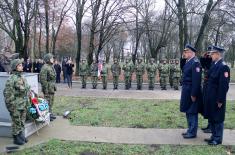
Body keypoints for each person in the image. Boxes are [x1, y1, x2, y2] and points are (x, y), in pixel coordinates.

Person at [204, 46, 230, 145]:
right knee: (212, 117)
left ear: (218, 54)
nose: (211, 55)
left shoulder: (223, 67)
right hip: (211, 96)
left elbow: (224, 86)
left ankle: (218, 139)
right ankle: (213, 136)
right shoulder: (214, 64)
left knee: (218, 119)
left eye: (213, 54)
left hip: (217, 98)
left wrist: (220, 100)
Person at [3, 59, 30, 145]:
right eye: (19, 65)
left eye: (22, 65)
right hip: (15, 105)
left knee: (22, 121)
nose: (22, 66)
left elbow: (26, 90)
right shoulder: (12, 79)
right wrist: (11, 107)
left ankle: (20, 135)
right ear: (15, 67)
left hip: (23, 103)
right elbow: (7, 94)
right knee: (16, 121)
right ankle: (16, 137)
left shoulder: (22, 77)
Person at [180, 44, 202, 139]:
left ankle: (193, 132)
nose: (184, 53)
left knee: (192, 111)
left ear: (191, 52)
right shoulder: (188, 61)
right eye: (184, 52)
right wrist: (183, 58)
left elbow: (196, 80)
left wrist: (194, 94)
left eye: (186, 52)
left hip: (191, 90)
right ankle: (190, 130)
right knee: (187, 110)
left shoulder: (195, 63)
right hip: (186, 89)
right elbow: (182, 68)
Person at [40, 53, 57, 121]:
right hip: (48, 88)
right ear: (48, 59)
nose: (53, 59)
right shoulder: (45, 67)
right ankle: (47, 115)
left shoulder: (51, 66)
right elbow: (43, 80)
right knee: (47, 102)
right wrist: (46, 90)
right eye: (51, 58)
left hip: (51, 87)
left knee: (51, 101)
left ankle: (50, 113)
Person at [200, 47, 213, 133]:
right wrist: (203, 56)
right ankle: (209, 125)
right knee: (207, 106)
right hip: (206, 84)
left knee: (211, 107)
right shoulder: (208, 60)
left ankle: (211, 127)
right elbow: (203, 64)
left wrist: (209, 57)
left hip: (211, 86)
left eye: (210, 52)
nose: (209, 54)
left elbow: (208, 65)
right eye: (208, 52)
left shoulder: (214, 62)